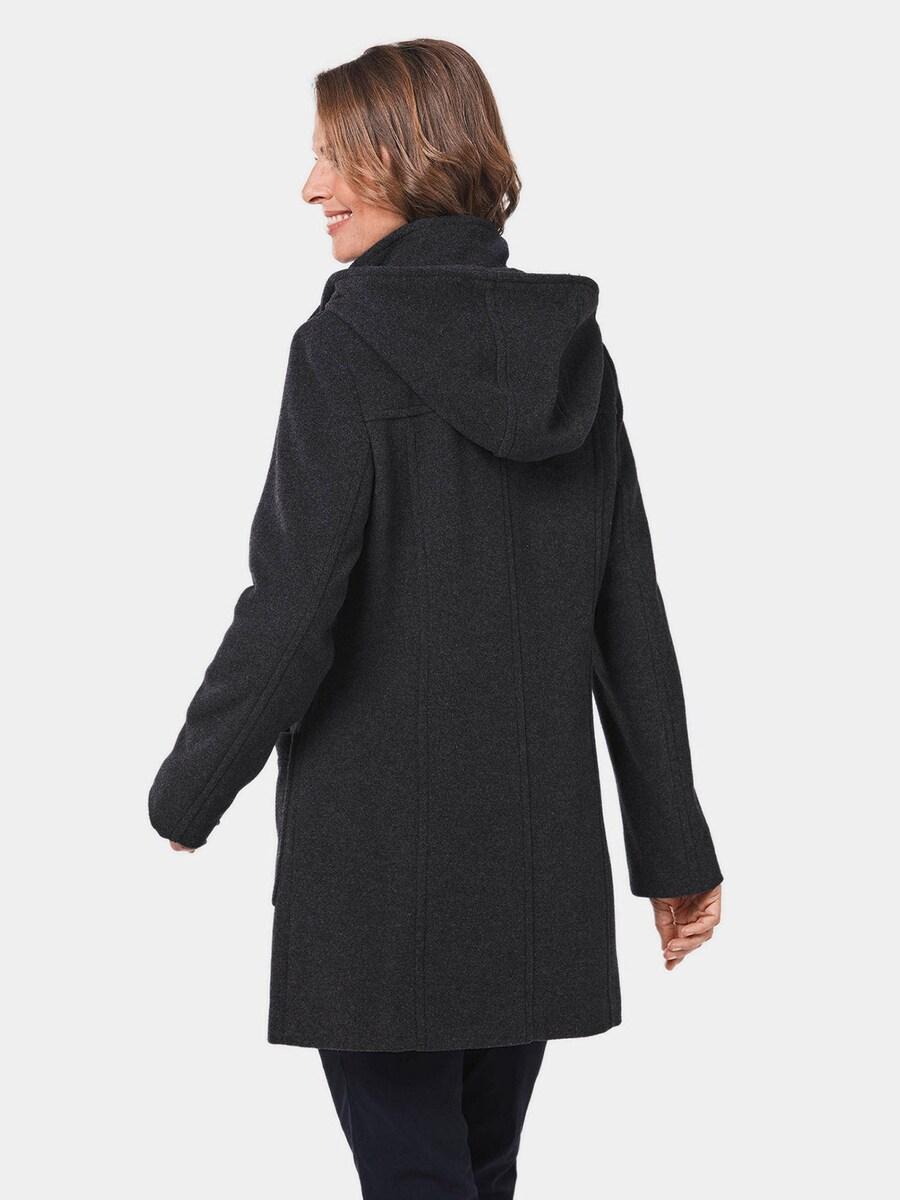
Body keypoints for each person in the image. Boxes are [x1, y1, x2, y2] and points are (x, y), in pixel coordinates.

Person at [148, 37, 723, 1200]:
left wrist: (190, 787)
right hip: (537, 870)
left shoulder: (343, 347)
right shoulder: (573, 355)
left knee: (416, 1178)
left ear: (403, 160)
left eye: (332, 156)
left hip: (378, 878)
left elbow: (296, 602)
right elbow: (627, 614)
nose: (309, 187)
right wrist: (675, 852)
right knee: (476, 1172)